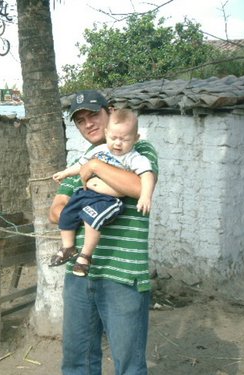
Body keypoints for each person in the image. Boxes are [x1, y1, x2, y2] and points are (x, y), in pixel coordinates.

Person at [49, 90, 158, 375]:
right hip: (79, 273)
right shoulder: (82, 159)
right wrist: (89, 206)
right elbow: (57, 210)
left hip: (122, 275)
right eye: (80, 120)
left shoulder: (137, 149)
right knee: (77, 361)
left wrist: (95, 169)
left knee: (129, 364)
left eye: (93, 115)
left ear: (109, 111)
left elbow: (138, 187)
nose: (88, 124)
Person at [49, 108, 155, 277]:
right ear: (108, 133)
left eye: (93, 115)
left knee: (92, 217)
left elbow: (144, 179)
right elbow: (55, 213)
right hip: (86, 197)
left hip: (120, 272)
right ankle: (68, 248)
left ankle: (85, 256)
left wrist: (146, 196)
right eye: (80, 120)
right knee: (69, 213)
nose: (118, 143)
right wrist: (65, 173)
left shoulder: (137, 154)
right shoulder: (97, 151)